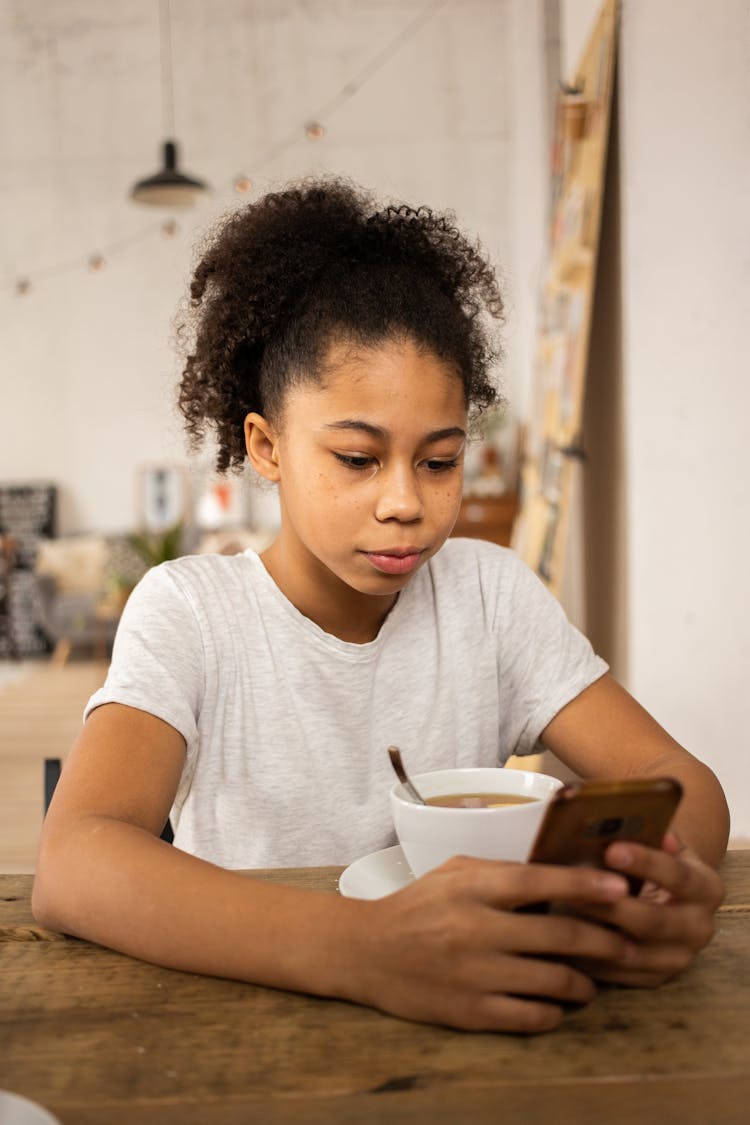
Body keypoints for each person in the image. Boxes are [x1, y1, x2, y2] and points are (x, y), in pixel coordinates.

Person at [32, 178, 728, 1033]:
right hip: (248, 1034)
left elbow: (682, 784)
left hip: (464, 1026)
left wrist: (671, 883)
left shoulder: (489, 594)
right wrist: (362, 947)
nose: (405, 501)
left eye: (438, 462)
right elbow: (72, 863)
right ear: (267, 445)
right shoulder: (193, 613)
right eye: (359, 458)